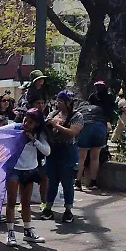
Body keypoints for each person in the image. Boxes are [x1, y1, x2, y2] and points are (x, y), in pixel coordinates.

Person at [1, 108, 50, 246]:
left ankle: (28, 231)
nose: (26, 123)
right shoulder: (15, 128)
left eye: (31, 122)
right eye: (25, 119)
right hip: (14, 169)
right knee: (11, 202)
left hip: (30, 170)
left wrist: (34, 140)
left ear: (37, 124)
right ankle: (10, 233)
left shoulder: (39, 135)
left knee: (26, 203)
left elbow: (47, 151)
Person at [41, 91, 83, 223]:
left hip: (68, 152)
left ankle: (68, 210)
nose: (58, 104)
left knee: (67, 182)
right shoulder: (53, 114)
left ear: (69, 102)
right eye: (57, 101)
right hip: (53, 152)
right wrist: (47, 124)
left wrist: (56, 125)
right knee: (52, 181)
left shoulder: (77, 116)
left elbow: (72, 133)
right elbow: (46, 128)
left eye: (61, 101)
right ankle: (48, 208)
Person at [76, 80, 118, 190]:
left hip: (87, 126)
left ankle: (78, 182)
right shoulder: (109, 97)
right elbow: (112, 111)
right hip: (101, 125)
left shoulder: (89, 101)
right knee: (95, 157)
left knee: (81, 156)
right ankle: (93, 182)